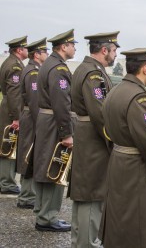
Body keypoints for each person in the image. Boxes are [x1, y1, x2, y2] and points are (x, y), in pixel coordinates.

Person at [99, 46, 146, 248]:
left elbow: (107, 130)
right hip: (136, 169)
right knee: (141, 227)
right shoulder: (140, 98)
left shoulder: (116, 91)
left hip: (118, 160)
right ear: (145, 68)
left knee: (120, 222)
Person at [70, 31, 119, 248]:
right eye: (114, 50)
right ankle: (87, 243)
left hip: (86, 134)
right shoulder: (93, 75)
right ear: (104, 50)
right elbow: (100, 113)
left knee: (85, 192)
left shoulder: (86, 68)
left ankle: (80, 242)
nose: (115, 54)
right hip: (94, 138)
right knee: (92, 193)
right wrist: (114, 139)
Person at [33, 29, 77, 232]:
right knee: (55, 167)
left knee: (44, 165)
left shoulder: (49, 64)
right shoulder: (58, 69)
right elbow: (61, 102)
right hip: (54, 121)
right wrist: (66, 133)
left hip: (46, 119)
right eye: (72, 44)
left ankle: (42, 212)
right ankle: (47, 217)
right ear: (64, 46)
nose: (75, 48)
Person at [16, 38, 49, 209]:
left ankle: (28, 194)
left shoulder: (33, 70)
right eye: (45, 52)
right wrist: (40, 125)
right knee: (29, 154)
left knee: (29, 153)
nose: (47, 54)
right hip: (32, 117)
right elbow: (35, 101)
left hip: (30, 116)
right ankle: (27, 195)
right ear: (37, 55)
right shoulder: (33, 72)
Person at [0, 36, 28, 195]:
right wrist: (16, 117)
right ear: (19, 50)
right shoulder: (16, 67)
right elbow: (14, 93)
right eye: (25, 48)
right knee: (9, 146)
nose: (27, 51)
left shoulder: (9, 62)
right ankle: (7, 182)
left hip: (7, 106)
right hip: (12, 109)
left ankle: (4, 181)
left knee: (6, 143)